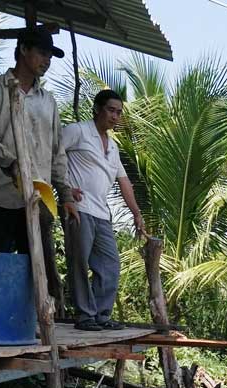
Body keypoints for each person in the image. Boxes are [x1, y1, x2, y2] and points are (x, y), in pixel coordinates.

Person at [0, 25, 74, 308]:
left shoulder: (49, 101)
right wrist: (14, 164)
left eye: (50, 56)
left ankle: (33, 323)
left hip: (39, 196)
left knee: (37, 267)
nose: (47, 60)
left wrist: (65, 194)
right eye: (42, 53)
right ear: (23, 50)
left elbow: (57, 151)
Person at [61, 90, 145, 331]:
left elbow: (124, 181)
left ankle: (101, 315)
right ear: (97, 108)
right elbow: (51, 154)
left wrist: (137, 213)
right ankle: (85, 316)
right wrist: (64, 188)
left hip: (102, 213)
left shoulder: (113, 147)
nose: (115, 116)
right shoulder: (77, 131)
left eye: (119, 112)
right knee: (79, 261)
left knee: (110, 265)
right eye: (111, 110)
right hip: (78, 207)